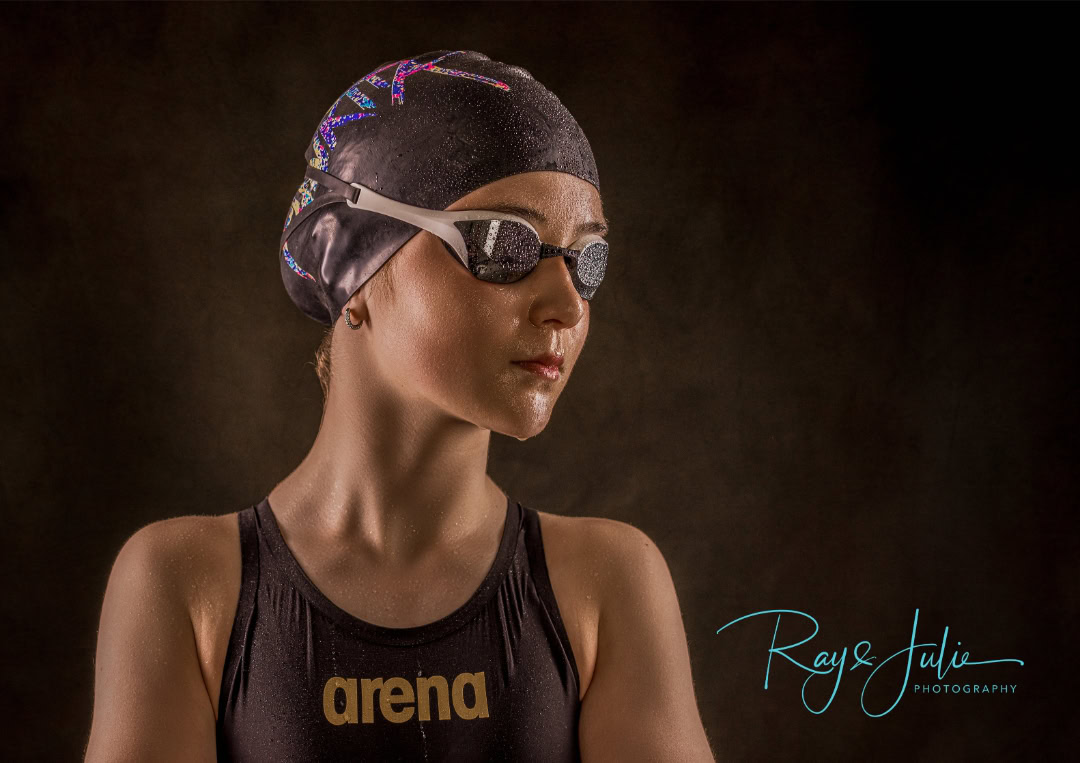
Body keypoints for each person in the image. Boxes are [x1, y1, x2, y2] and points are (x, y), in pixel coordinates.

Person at [85, 50, 715, 762]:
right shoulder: (187, 587)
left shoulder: (608, 585)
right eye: (499, 243)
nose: (567, 304)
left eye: (585, 259)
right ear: (352, 264)